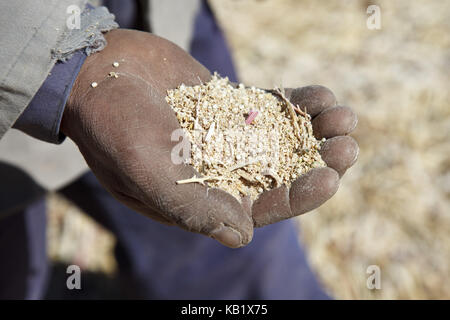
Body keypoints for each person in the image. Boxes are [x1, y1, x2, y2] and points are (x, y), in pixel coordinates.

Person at [0, 0, 359, 299]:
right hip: (17, 81)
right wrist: (67, 66)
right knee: (14, 269)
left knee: (239, 265)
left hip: (161, 26)